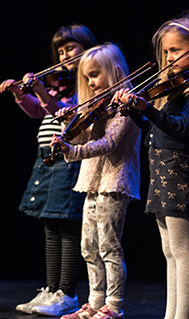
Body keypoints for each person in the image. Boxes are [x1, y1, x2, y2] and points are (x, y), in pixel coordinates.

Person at [112, 11, 189, 319]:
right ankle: (170, 314)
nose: (169, 57)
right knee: (168, 250)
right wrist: (133, 109)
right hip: (162, 166)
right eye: (165, 51)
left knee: (181, 248)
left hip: (180, 167)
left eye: (175, 50)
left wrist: (147, 107)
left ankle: (181, 316)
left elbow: (181, 127)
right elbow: (154, 129)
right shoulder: (174, 86)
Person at [1, 24, 97, 316]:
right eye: (60, 50)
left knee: (67, 224)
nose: (64, 54)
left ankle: (66, 293)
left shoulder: (87, 83)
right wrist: (20, 93)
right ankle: (51, 289)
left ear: (86, 48)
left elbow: (62, 113)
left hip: (68, 160)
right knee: (49, 224)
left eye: (70, 48)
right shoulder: (60, 83)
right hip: (46, 160)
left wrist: (41, 91)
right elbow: (37, 111)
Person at [47, 43, 141, 319]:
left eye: (95, 75)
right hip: (91, 181)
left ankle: (113, 306)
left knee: (109, 246)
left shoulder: (126, 104)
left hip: (115, 180)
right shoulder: (96, 106)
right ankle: (94, 302)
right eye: (86, 78)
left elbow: (110, 143)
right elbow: (79, 137)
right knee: (88, 246)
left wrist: (72, 151)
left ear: (114, 71)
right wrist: (69, 125)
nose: (91, 83)